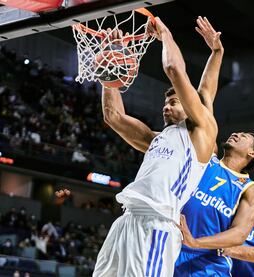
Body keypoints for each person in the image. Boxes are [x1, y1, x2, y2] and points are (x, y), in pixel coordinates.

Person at [57, 16, 219, 277]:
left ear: (190, 107)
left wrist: (165, 32)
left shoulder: (201, 132)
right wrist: (109, 66)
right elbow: (113, 116)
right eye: (165, 104)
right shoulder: (156, 139)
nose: (166, 106)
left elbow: (177, 72)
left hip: (158, 224)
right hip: (126, 220)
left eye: (174, 102)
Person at [174, 17, 254, 277]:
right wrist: (217, 52)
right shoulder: (207, 154)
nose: (236, 133)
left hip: (207, 266)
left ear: (252, 153)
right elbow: (205, 96)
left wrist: (195, 242)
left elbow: (240, 233)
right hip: (169, 250)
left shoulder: (250, 188)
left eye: (245, 135)